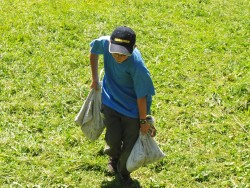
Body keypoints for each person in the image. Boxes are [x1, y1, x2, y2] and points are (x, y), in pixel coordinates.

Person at [89, 26, 155, 186]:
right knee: (113, 137)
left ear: (134, 48)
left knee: (130, 142)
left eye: (123, 53)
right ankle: (114, 157)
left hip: (133, 110)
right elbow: (93, 51)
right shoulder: (105, 43)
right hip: (110, 101)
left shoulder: (137, 67)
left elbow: (141, 97)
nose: (118, 56)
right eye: (115, 52)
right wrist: (95, 78)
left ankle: (124, 172)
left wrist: (143, 121)